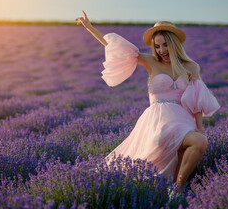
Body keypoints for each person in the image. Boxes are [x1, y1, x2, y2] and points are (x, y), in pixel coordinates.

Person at [75, 11, 220, 193]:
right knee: (195, 144)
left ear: (174, 44)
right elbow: (115, 47)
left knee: (195, 144)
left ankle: (175, 191)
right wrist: (90, 28)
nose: (161, 50)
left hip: (184, 120)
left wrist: (200, 127)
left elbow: (197, 99)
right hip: (159, 121)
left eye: (165, 45)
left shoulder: (191, 67)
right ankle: (175, 189)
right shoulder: (150, 61)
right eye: (157, 46)